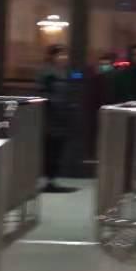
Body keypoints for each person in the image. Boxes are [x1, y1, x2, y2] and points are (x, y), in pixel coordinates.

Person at [37, 44, 78, 193]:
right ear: (52, 56)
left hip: (62, 118)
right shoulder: (48, 73)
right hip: (51, 118)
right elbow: (43, 94)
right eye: (60, 55)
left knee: (58, 149)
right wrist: (55, 105)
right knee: (51, 150)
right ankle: (48, 181)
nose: (63, 58)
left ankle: (52, 180)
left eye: (65, 55)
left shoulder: (64, 72)